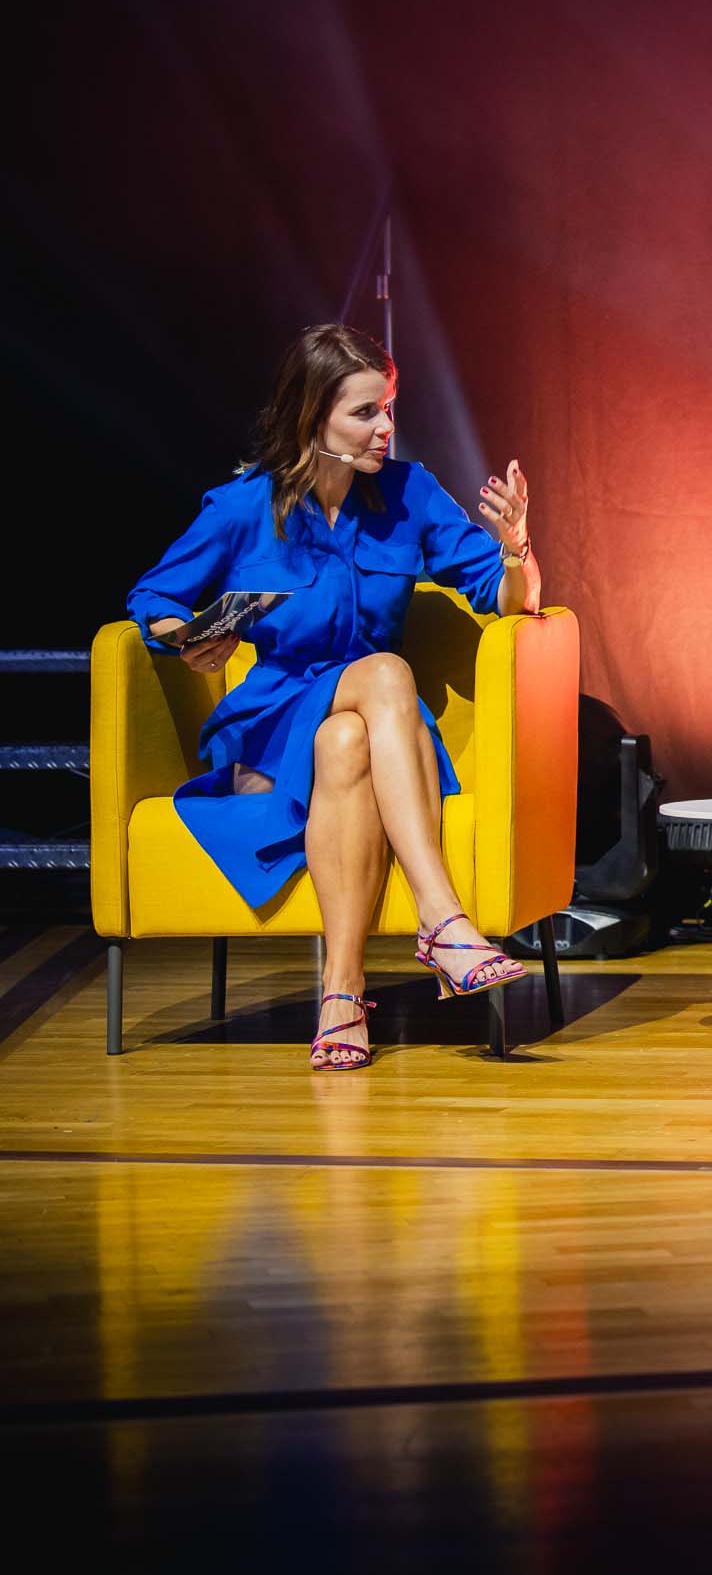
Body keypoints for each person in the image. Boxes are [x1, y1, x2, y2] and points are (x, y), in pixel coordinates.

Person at [126, 323, 550, 1070]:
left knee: (348, 736)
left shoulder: (411, 493)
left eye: (389, 408)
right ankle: (442, 919)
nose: (386, 427)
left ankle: (342, 996)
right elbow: (152, 597)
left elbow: (509, 599)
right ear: (311, 415)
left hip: (373, 730)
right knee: (385, 673)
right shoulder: (243, 506)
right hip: (273, 727)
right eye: (364, 412)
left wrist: (516, 548)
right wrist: (185, 639)